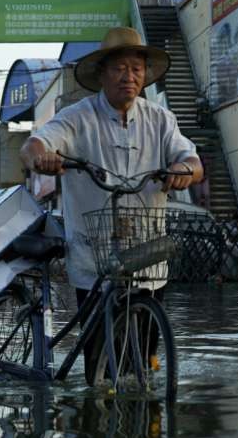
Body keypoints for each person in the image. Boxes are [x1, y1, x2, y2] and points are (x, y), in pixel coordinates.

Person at [19, 26, 204, 384]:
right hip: (94, 249)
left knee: (147, 359)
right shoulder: (78, 116)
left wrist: (184, 170)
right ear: (102, 73)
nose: (129, 76)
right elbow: (34, 145)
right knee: (98, 364)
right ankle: (98, 417)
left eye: (136, 69)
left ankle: (145, 422)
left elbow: (191, 160)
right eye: (120, 68)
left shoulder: (160, 119)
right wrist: (41, 158)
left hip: (146, 251)